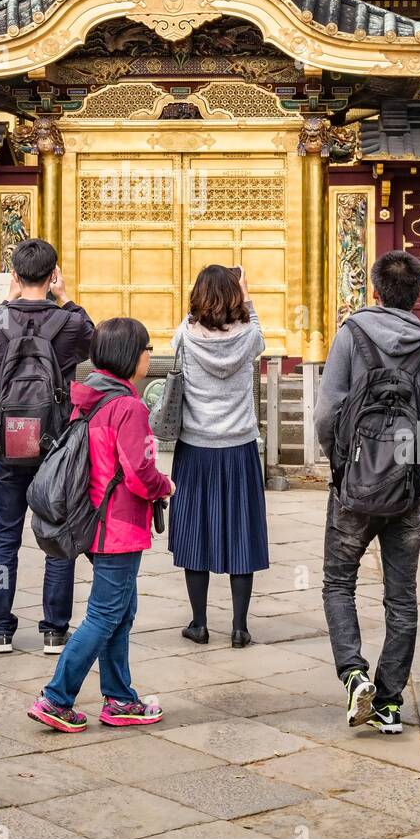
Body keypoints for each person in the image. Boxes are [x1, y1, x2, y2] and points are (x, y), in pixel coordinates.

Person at [316, 250, 420, 736]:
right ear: (417, 296)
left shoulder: (351, 336)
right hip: (407, 491)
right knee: (402, 597)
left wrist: (342, 464)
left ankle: (353, 674)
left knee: (338, 583)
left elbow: (325, 416)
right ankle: (390, 701)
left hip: (353, 487)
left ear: (374, 291)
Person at [28, 317, 174, 733]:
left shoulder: (92, 398)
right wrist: (165, 485)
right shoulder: (129, 405)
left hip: (93, 518)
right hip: (119, 524)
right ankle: (56, 697)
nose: (149, 357)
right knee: (105, 613)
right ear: (131, 356)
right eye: (146, 350)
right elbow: (138, 472)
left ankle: (120, 697)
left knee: (121, 611)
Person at [0, 238, 94, 656]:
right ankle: (55, 630)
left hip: (8, 445)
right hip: (55, 445)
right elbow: (94, 343)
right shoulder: (69, 323)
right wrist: (67, 298)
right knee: (57, 535)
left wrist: (5, 303)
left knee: (4, 536)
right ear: (53, 273)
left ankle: (2, 629)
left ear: (15, 274)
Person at [169, 264, 268, 648]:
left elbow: (184, 326)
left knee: (197, 533)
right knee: (241, 533)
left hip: (195, 447)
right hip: (239, 448)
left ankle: (199, 622)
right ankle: (240, 626)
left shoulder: (186, 335)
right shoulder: (249, 337)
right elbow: (256, 327)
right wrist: (246, 296)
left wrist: (198, 308)